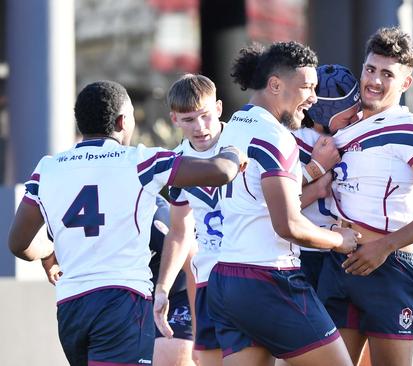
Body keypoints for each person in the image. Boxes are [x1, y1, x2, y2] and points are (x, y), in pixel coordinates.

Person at [7, 80, 245, 366]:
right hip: (123, 301)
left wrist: (46, 253)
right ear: (122, 121)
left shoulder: (46, 168)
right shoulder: (140, 161)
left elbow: (18, 243)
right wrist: (234, 147)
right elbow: (221, 171)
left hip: (70, 307)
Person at [207, 41, 359, 366]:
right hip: (268, 278)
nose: (314, 98)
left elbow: (262, 201)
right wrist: (339, 240)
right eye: (307, 87)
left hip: (226, 277)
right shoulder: (276, 136)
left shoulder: (234, 125)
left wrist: (313, 173)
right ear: (275, 85)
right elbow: (288, 225)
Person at [316, 27, 413, 366]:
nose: (374, 81)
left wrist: (385, 246)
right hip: (341, 263)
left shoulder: (412, 128)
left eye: (387, 74)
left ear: (405, 83)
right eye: (370, 69)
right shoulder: (343, 127)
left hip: (391, 268)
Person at [153, 74, 227, 366]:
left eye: (205, 116)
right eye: (188, 119)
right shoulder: (176, 164)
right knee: (207, 359)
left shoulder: (246, 141)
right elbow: (181, 233)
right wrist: (162, 289)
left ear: (219, 108)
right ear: (174, 119)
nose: (199, 127)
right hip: (210, 280)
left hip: (256, 271)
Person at [293, 63, 361, 290]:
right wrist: (317, 176)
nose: (355, 121)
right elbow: (273, 207)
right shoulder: (292, 142)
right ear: (323, 114)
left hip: (336, 249)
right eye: (348, 118)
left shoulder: (349, 137)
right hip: (302, 251)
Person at [150, 195, 197, 366]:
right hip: (135, 300)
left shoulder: (155, 214)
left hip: (177, 294)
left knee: (169, 355)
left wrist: (199, 332)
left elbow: (192, 265)